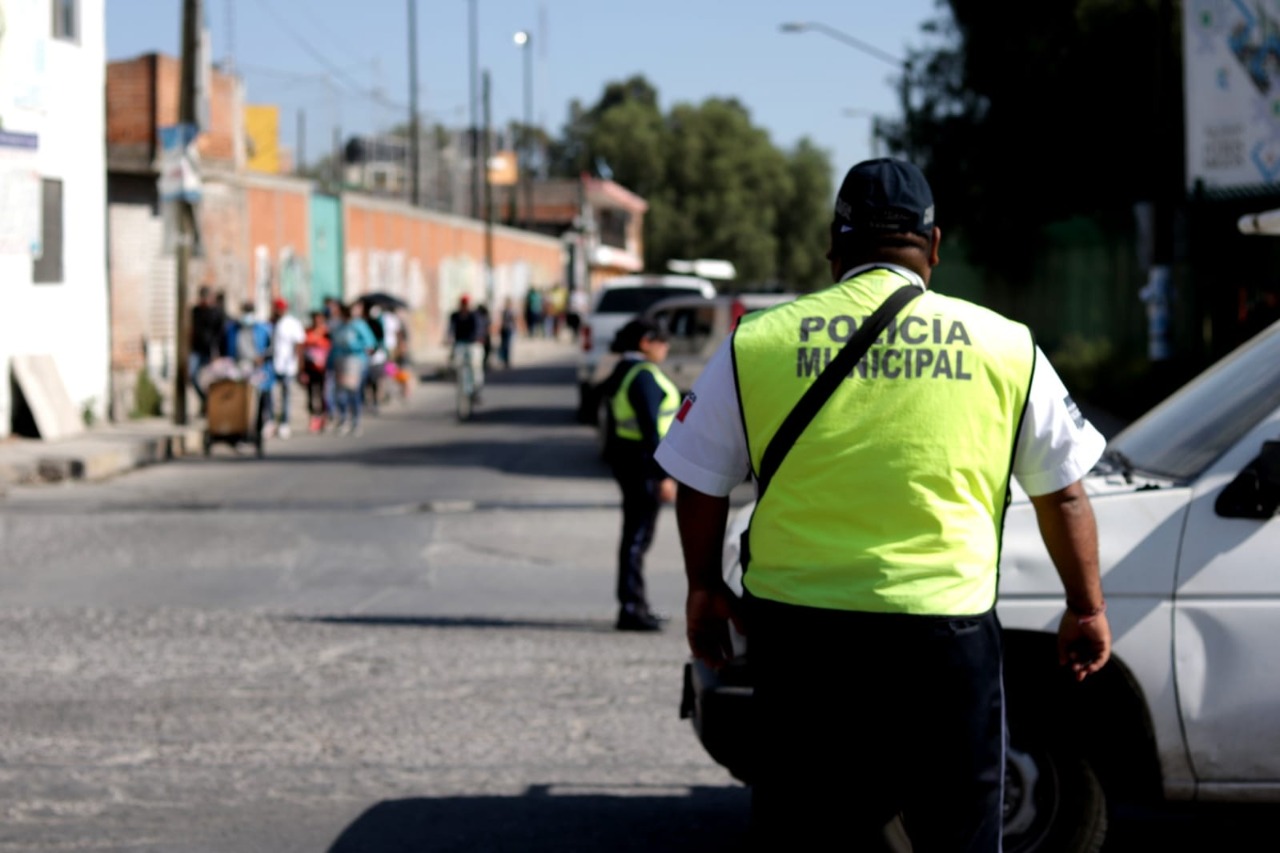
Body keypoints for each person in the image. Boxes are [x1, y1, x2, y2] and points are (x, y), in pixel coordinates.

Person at [654, 158, 1112, 851]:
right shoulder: (1005, 346)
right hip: (945, 636)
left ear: (834, 247)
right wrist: (1086, 605)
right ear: (933, 246)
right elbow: (1065, 492)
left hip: (801, 639)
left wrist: (702, 589)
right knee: (955, 830)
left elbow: (697, 477)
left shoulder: (760, 341)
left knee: (807, 829)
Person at [602, 318, 679, 632]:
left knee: (635, 536)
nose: (666, 346)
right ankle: (632, 609)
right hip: (644, 465)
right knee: (637, 538)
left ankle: (636, 604)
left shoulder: (624, 370)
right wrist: (663, 476)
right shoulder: (643, 376)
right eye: (661, 340)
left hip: (630, 461)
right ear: (645, 343)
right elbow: (651, 429)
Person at [327, 301, 378, 437]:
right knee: (340, 394)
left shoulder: (359, 325)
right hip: (340, 363)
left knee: (354, 393)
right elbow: (334, 346)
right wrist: (330, 363)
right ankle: (343, 420)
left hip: (356, 362)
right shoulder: (339, 327)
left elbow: (370, 344)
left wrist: (354, 345)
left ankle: (356, 421)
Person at [263, 297, 305, 439]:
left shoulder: (292, 324)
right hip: (271, 364)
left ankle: (284, 423)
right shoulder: (270, 323)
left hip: (287, 364)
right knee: (270, 394)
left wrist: (299, 364)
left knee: (286, 395)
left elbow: (298, 344)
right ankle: (270, 421)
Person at [189, 285, 225, 412]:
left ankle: (210, 405)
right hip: (196, 350)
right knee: (192, 375)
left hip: (210, 351)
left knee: (210, 380)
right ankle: (205, 399)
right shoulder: (196, 312)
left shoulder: (216, 313)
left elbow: (220, 334)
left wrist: (218, 353)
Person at [448, 295, 485, 402]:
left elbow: (479, 328)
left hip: (473, 343)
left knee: (475, 365)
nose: (464, 306)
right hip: (460, 343)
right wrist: (449, 338)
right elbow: (451, 328)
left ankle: (476, 388)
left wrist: (478, 337)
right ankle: (461, 384)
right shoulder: (455, 316)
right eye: (463, 304)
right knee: (457, 363)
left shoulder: (474, 315)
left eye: (466, 304)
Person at [300, 311, 331, 433]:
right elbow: (302, 349)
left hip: (324, 369)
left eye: (320, 319)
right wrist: (301, 369)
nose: (317, 321)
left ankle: (324, 417)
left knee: (323, 394)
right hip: (310, 368)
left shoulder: (327, 333)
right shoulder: (307, 332)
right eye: (315, 319)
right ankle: (313, 418)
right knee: (311, 394)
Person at [498, 298, 517, 369]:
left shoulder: (511, 311)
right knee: (504, 345)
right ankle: (504, 359)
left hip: (509, 329)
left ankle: (507, 360)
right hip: (505, 329)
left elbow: (514, 320)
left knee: (507, 345)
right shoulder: (504, 311)